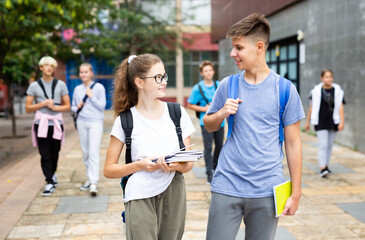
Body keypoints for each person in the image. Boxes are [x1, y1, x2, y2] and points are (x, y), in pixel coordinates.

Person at [203, 13, 305, 240]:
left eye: (239, 48)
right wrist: (221, 113)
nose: (232, 54)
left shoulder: (285, 90)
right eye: (232, 47)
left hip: (267, 189)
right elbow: (209, 124)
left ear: (259, 47)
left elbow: (293, 143)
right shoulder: (227, 85)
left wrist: (295, 192)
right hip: (226, 184)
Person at [103, 54, 195, 240]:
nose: (163, 82)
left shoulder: (178, 113)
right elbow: (108, 169)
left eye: (164, 76)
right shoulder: (125, 120)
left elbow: (188, 164)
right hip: (139, 194)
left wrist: (175, 165)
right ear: (140, 82)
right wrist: (140, 165)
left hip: (174, 190)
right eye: (157, 78)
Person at [25, 56, 70, 196]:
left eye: (51, 65)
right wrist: (43, 104)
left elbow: (67, 106)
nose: (49, 67)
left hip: (56, 123)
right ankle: (49, 181)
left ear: (54, 68)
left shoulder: (61, 85)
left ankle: (52, 174)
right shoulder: (34, 86)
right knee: (44, 154)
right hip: (41, 123)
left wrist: (56, 108)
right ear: (41, 68)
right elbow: (28, 108)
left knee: (55, 152)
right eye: (46, 65)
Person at [71, 63, 106, 195]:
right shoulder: (77, 89)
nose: (83, 74)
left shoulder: (99, 88)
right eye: (81, 72)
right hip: (81, 122)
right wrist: (77, 106)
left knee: (93, 152)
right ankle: (89, 177)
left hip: (95, 122)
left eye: (86, 72)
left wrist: (92, 97)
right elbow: (73, 107)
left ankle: (93, 182)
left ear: (91, 73)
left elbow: (102, 106)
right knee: (85, 152)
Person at [187, 60, 224, 184]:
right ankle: (209, 173)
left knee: (219, 146)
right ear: (202, 73)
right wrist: (204, 108)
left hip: (220, 121)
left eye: (210, 70)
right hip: (205, 122)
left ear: (213, 71)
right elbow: (190, 104)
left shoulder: (219, 85)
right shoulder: (198, 88)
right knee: (208, 148)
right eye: (205, 71)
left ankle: (215, 167)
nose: (208, 73)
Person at [305, 69, 345, 177]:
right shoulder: (316, 91)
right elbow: (311, 107)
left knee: (330, 145)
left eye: (330, 76)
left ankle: (326, 165)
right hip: (320, 121)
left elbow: (341, 106)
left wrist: (342, 121)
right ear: (322, 78)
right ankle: (322, 168)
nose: (329, 79)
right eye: (326, 77)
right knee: (323, 144)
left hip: (333, 121)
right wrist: (307, 122)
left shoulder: (338, 90)